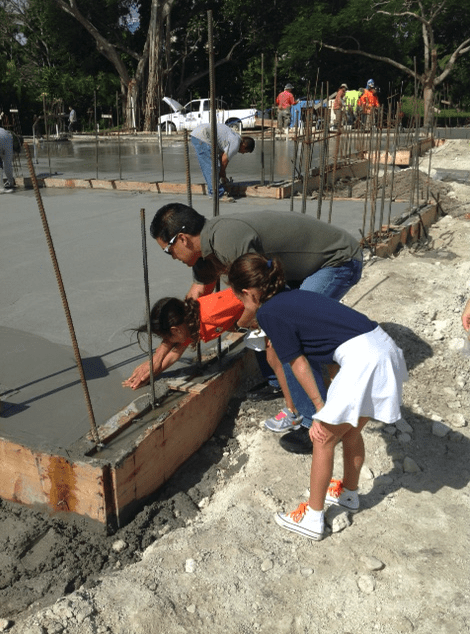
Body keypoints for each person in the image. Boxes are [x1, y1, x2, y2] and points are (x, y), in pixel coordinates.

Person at [149, 203, 363, 450]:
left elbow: (257, 298)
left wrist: (240, 325)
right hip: (300, 270)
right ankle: (278, 382)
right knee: (265, 327)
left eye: (168, 250)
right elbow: (191, 303)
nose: (172, 257)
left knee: (289, 331)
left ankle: (315, 423)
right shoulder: (207, 252)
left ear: (183, 239)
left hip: (337, 261)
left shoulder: (229, 241)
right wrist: (161, 354)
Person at [228, 253, 408, 541]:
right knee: (350, 431)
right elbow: (333, 344)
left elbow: (297, 364)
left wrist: (319, 408)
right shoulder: (297, 296)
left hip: (364, 360)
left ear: (248, 293)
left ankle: (312, 518)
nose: (241, 303)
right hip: (384, 348)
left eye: (239, 297)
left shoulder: (268, 313)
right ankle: (349, 494)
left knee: (322, 437)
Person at [123, 288, 245, 389]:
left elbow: (250, 299)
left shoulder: (212, 312)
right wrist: (151, 372)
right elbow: (174, 356)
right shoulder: (189, 325)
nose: (169, 342)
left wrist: (244, 324)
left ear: (175, 330)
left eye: (168, 338)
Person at [190, 123, 255, 202]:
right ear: (244, 145)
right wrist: (223, 176)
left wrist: (222, 176)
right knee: (210, 167)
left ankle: (215, 190)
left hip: (200, 134)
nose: (243, 153)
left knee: (214, 166)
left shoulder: (235, 137)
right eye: (245, 151)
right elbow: (224, 161)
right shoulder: (235, 144)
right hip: (202, 137)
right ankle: (217, 194)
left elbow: (221, 158)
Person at [0, 127, 16, 192]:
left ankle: (10, 182)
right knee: (7, 163)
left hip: (6, 140)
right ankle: (9, 182)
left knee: (7, 164)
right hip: (5, 138)